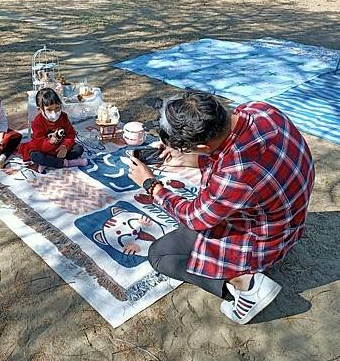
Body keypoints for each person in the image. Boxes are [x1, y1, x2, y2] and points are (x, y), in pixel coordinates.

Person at [127, 89, 315, 325]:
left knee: (161, 254)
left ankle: (245, 284)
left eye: (187, 148)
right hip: (289, 214)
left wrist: (151, 185)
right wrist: (187, 156)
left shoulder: (235, 173)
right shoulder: (258, 110)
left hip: (266, 238)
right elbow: (227, 151)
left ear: (204, 147)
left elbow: (195, 217)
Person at [19, 88, 88, 170]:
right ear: (40, 109)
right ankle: (68, 163)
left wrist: (65, 146)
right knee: (36, 156)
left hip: (60, 149)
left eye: (57, 108)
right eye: (49, 110)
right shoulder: (37, 123)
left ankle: (48, 163)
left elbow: (70, 134)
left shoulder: (63, 117)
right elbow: (39, 143)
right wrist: (50, 142)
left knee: (79, 149)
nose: (54, 113)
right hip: (44, 150)